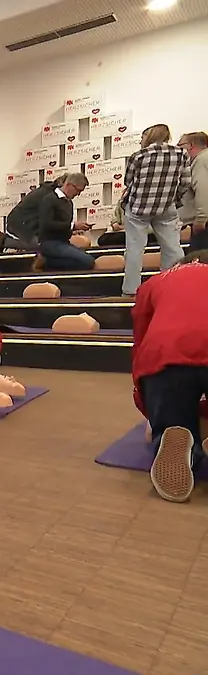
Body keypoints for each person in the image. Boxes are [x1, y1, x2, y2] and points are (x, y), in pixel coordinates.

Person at [132, 250, 208, 503]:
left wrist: (149, 408)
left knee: (172, 418)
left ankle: (175, 432)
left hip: (164, 352)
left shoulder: (155, 282)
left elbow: (141, 339)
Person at [121, 124, 191, 296]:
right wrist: (173, 197)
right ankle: (171, 287)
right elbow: (186, 182)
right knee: (172, 248)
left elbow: (128, 181)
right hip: (166, 206)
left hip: (138, 207)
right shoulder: (181, 154)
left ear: (149, 136)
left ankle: (131, 290)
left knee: (135, 249)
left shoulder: (138, 156)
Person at [35, 173, 94, 271]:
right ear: (69, 185)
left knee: (87, 262)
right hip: (49, 243)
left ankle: (48, 262)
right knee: (87, 261)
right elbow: (47, 225)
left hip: (63, 242)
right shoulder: (49, 199)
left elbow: (62, 227)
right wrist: (73, 226)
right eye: (78, 190)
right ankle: (47, 262)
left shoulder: (69, 203)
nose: (78, 194)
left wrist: (73, 230)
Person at [177, 132, 207, 251]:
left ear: (191, 145)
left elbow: (203, 189)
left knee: (200, 262)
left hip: (205, 224)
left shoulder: (200, 161)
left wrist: (201, 219)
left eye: (180, 145)